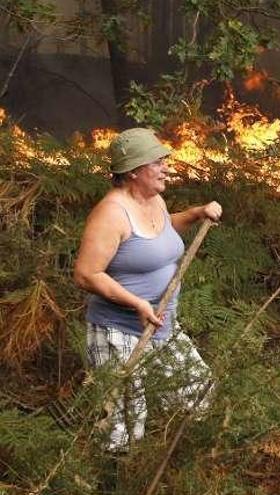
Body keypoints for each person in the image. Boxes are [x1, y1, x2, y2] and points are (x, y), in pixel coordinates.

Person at [73, 128, 221, 451]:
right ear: (134, 171)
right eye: (158, 162)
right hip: (119, 332)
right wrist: (137, 303)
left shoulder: (154, 201)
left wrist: (197, 213)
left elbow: (163, 229)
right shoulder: (111, 213)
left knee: (197, 390)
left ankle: (169, 463)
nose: (166, 167)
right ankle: (110, 480)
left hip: (162, 328)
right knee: (122, 426)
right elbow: (86, 274)